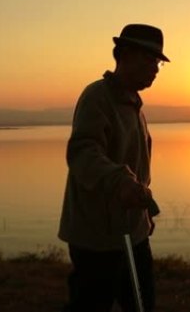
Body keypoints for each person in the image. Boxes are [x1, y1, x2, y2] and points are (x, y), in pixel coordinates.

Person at [58, 23, 169, 312]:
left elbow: (137, 170)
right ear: (125, 55)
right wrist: (120, 181)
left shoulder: (134, 105)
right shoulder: (97, 97)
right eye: (150, 59)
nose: (155, 68)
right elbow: (83, 153)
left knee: (143, 304)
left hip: (134, 232)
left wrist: (144, 214)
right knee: (91, 305)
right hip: (97, 237)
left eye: (158, 62)